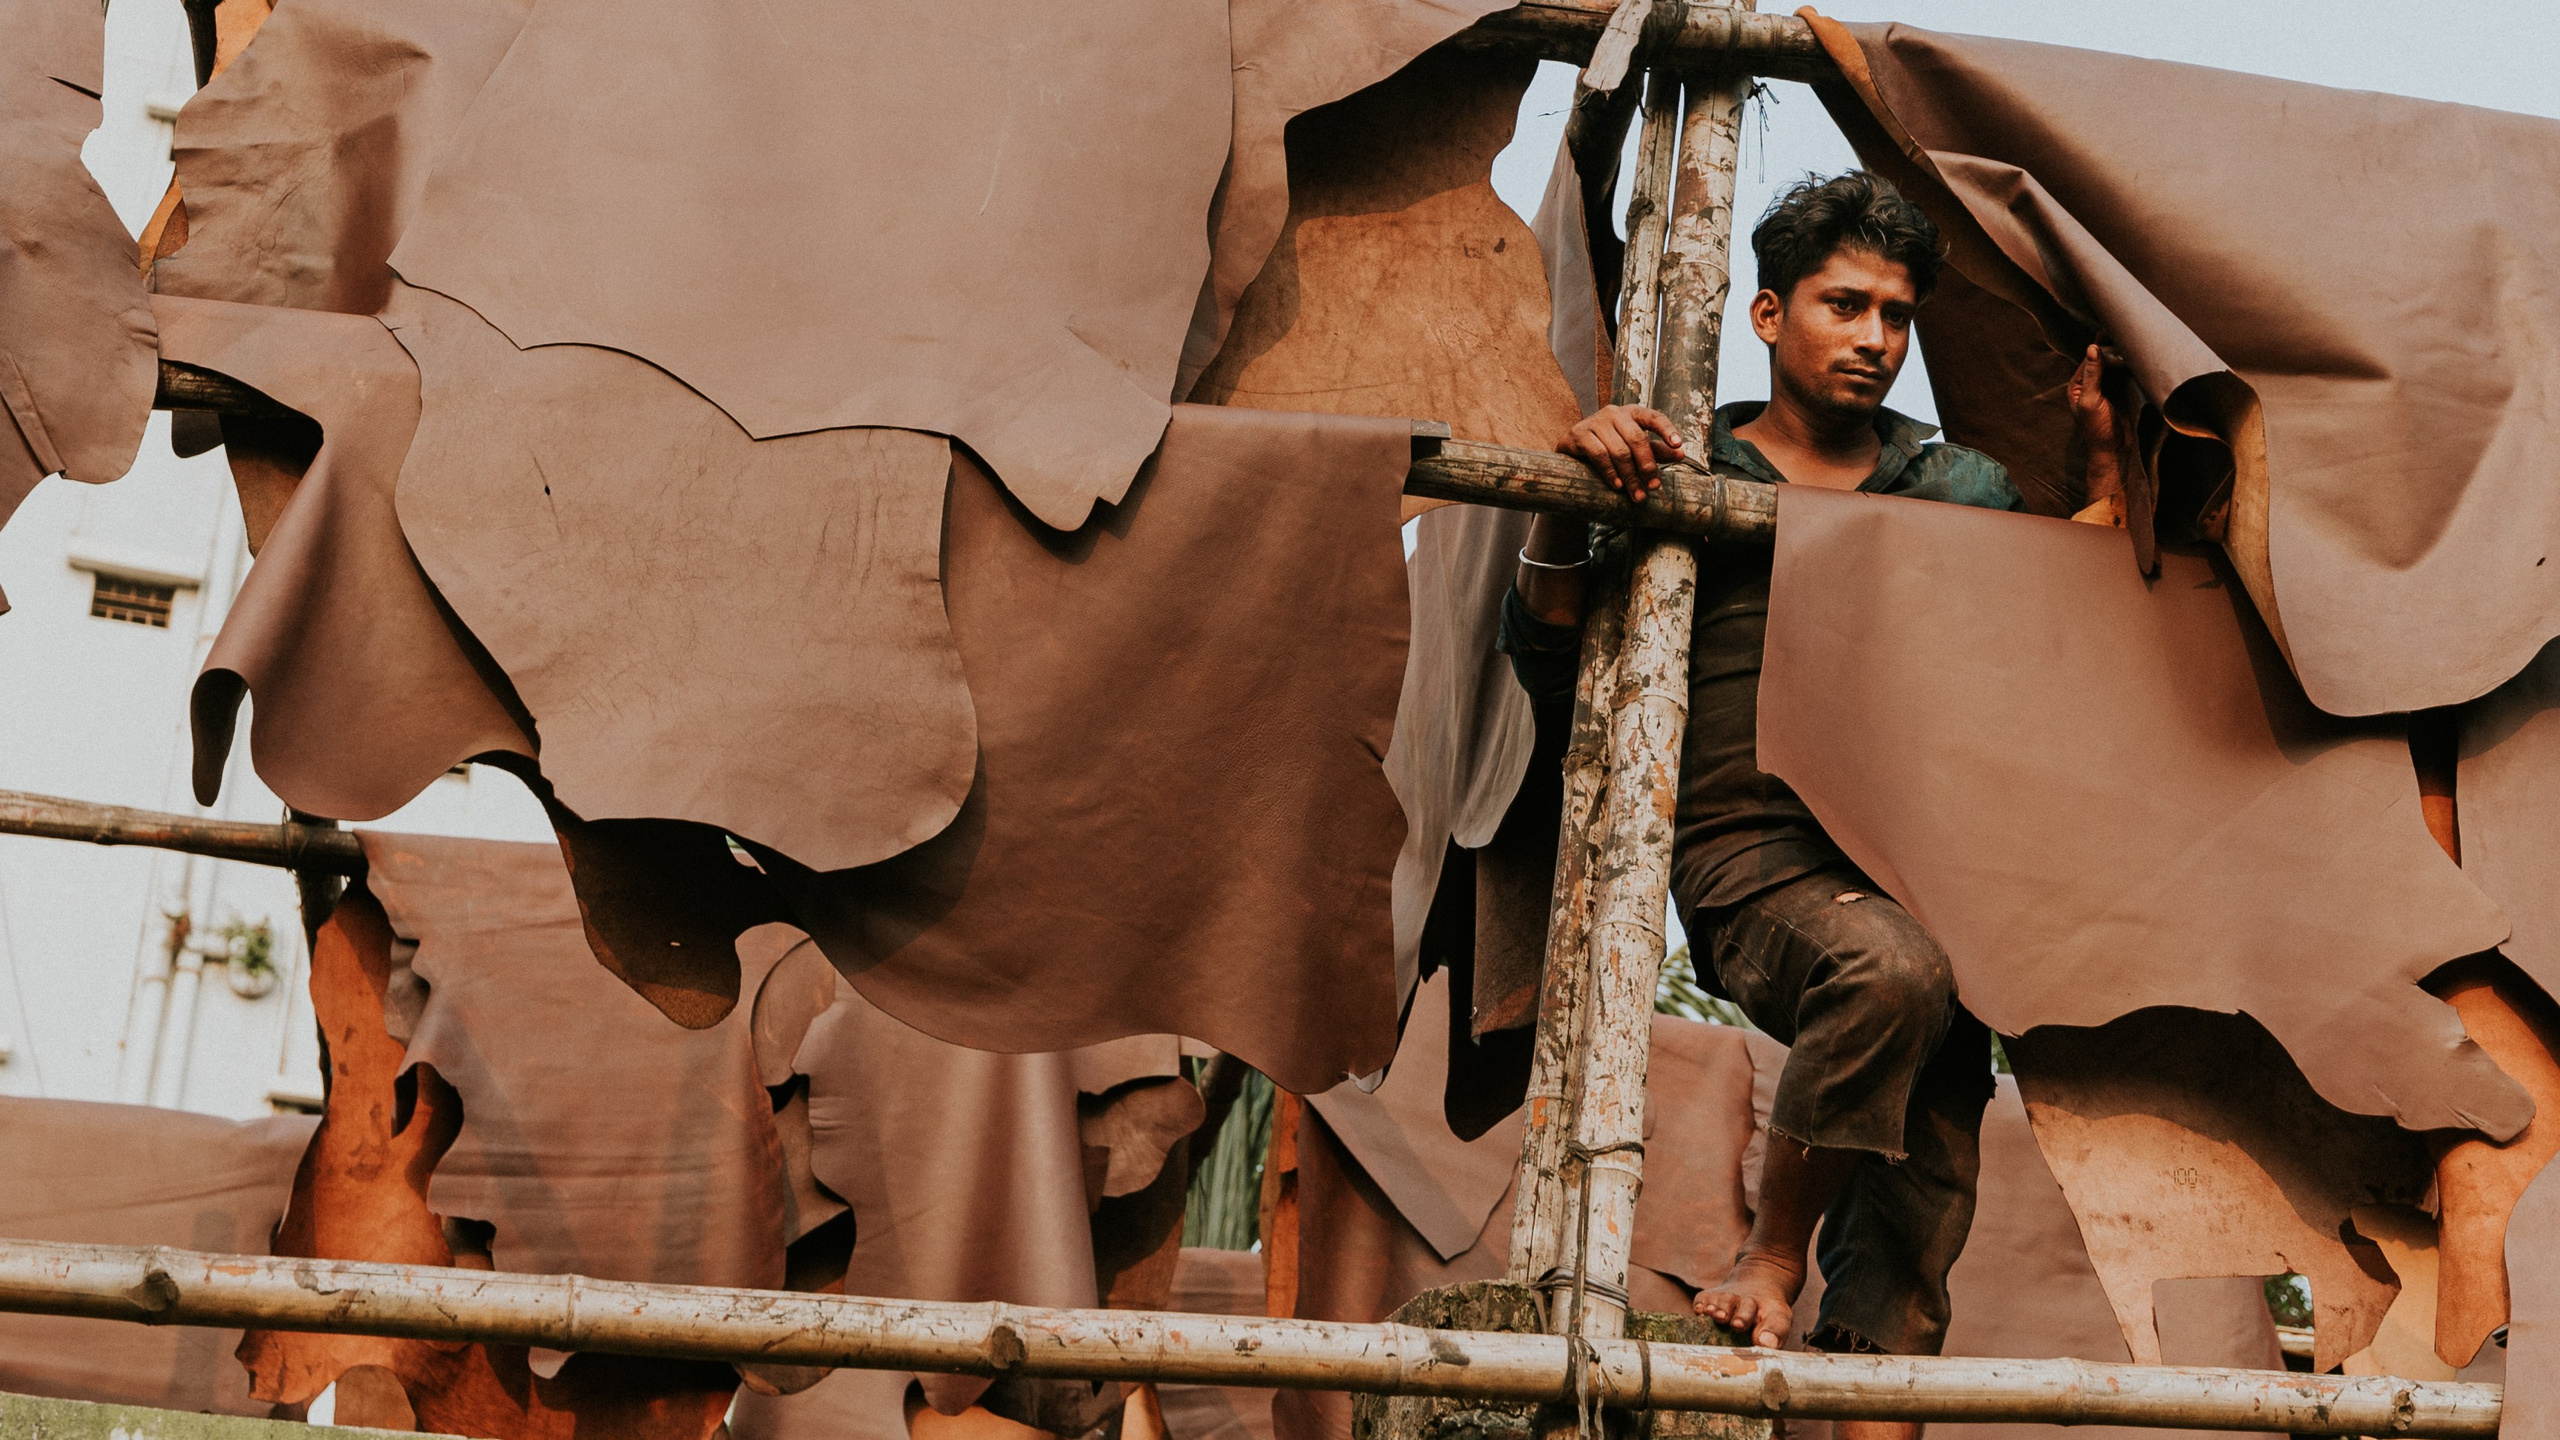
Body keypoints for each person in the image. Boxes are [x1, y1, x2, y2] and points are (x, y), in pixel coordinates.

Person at [1502, 171, 2121, 1440]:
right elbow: (1552, 657)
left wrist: (2103, 456)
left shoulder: (1956, 488)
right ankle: (1771, 1252)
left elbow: (2075, 625)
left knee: (1911, 1242)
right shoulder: (1687, 467)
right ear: (1770, 314)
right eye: (1845, 305)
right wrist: (1572, 496)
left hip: (1921, 866)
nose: (1874, 338)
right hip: (1750, 852)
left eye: (1896, 315)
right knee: (1887, 976)